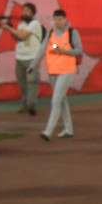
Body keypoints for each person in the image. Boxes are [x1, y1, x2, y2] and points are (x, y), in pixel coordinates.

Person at [35, 9, 83, 141]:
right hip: (53, 71)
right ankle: (68, 128)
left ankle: (48, 131)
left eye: (60, 19)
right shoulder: (51, 33)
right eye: (55, 19)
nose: (57, 22)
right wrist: (33, 64)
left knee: (56, 99)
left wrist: (65, 51)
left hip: (66, 70)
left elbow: (79, 50)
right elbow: (43, 49)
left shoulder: (72, 32)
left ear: (66, 19)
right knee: (62, 100)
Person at [0, 3, 43, 116]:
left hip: (32, 58)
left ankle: (31, 105)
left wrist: (9, 28)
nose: (24, 13)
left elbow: (23, 35)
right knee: (22, 82)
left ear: (33, 13)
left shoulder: (35, 23)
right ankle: (25, 104)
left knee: (31, 82)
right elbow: (18, 37)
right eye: (23, 10)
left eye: (27, 11)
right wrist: (10, 29)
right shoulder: (21, 24)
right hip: (20, 57)